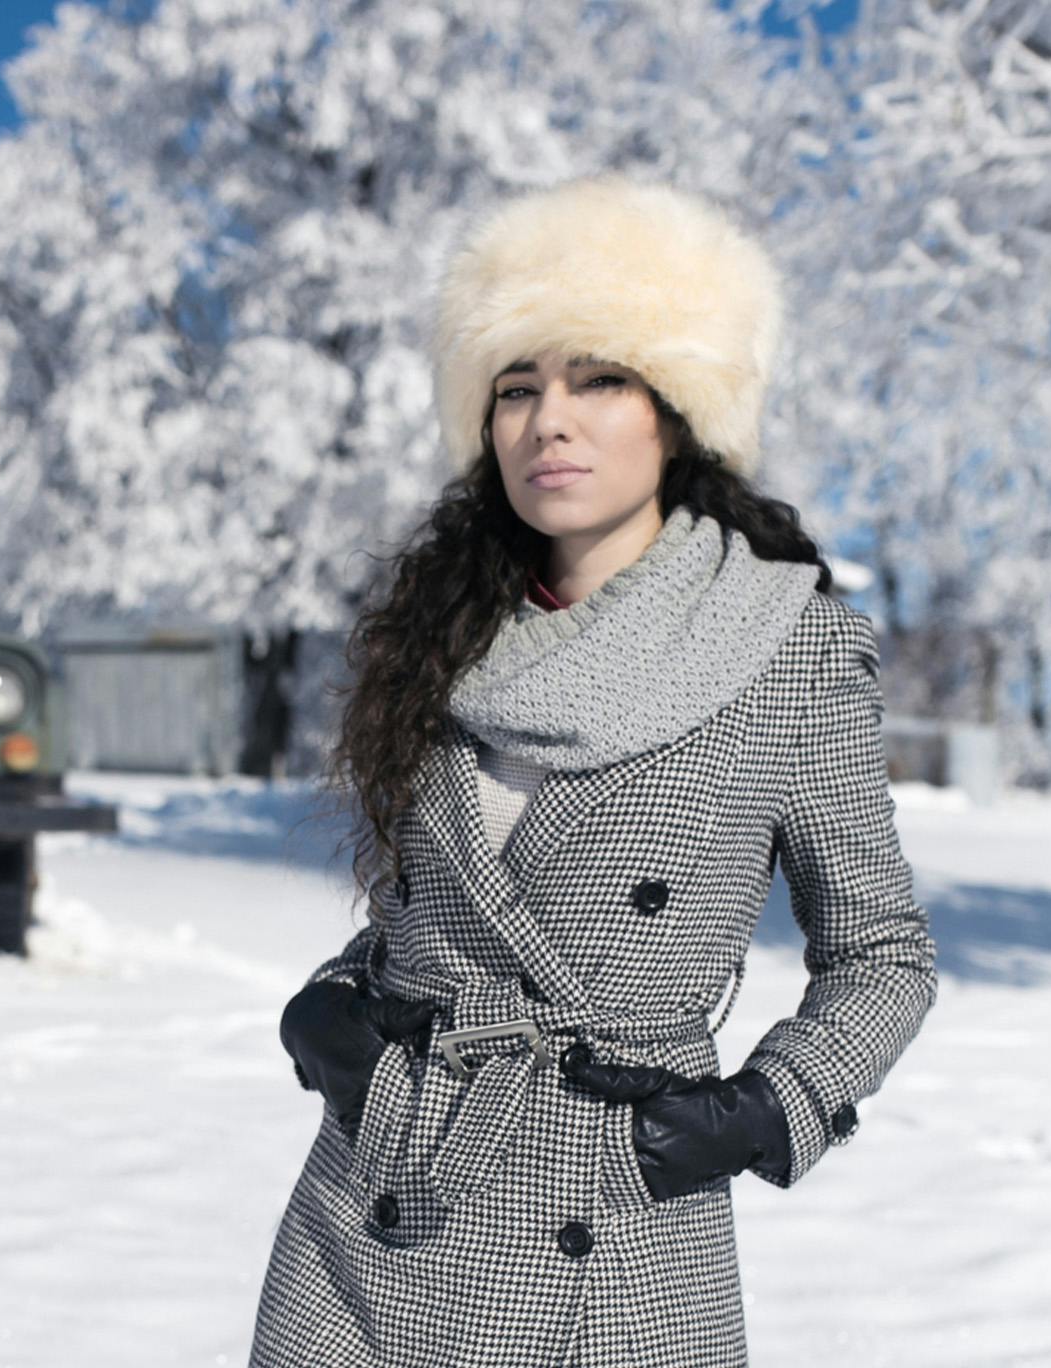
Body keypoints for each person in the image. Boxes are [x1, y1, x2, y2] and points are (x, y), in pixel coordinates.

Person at [249, 174, 939, 1367]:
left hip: (609, 1228)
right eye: (516, 388)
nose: (546, 421)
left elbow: (883, 957)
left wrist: (764, 1110)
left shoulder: (787, 648)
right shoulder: (444, 632)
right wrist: (335, 1006)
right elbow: (446, 907)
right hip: (372, 1213)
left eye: (598, 378)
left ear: (677, 408)